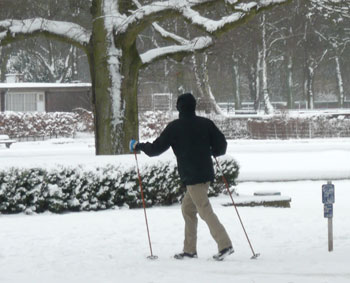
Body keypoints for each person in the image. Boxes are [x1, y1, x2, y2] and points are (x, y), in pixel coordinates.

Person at [129, 92, 233, 261]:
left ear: (179, 107)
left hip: (192, 177)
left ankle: (225, 245)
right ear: (194, 106)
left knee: (204, 209)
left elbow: (156, 149)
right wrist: (210, 151)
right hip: (205, 174)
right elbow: (222, 146)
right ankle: (189, 250)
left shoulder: (175, 127)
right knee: (188, 208)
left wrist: (138, 146)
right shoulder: (206, 123)